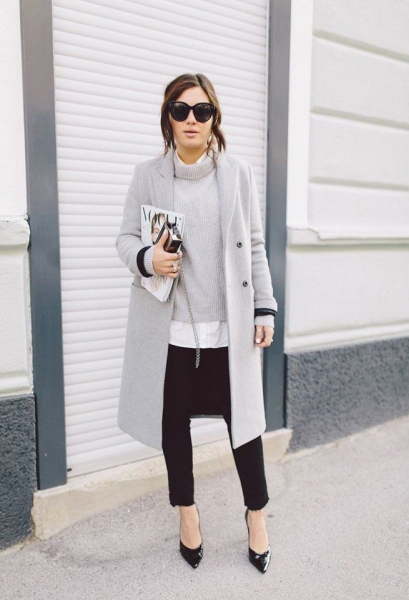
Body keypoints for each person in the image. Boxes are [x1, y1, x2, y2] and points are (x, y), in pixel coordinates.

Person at [116, 73, 278, 573]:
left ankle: (256, 515)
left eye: (202, 111)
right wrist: (147, 259)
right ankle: (187, 513)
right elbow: (125, 239)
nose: (191, 119)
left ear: (214, 119)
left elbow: (254, 245)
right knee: (174, 425)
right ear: (168, 117)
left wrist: (265, 306)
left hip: (228, 328)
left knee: (244, 425)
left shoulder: (238, 174)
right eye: (181, 110)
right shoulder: (148, 175)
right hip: (171, 331)